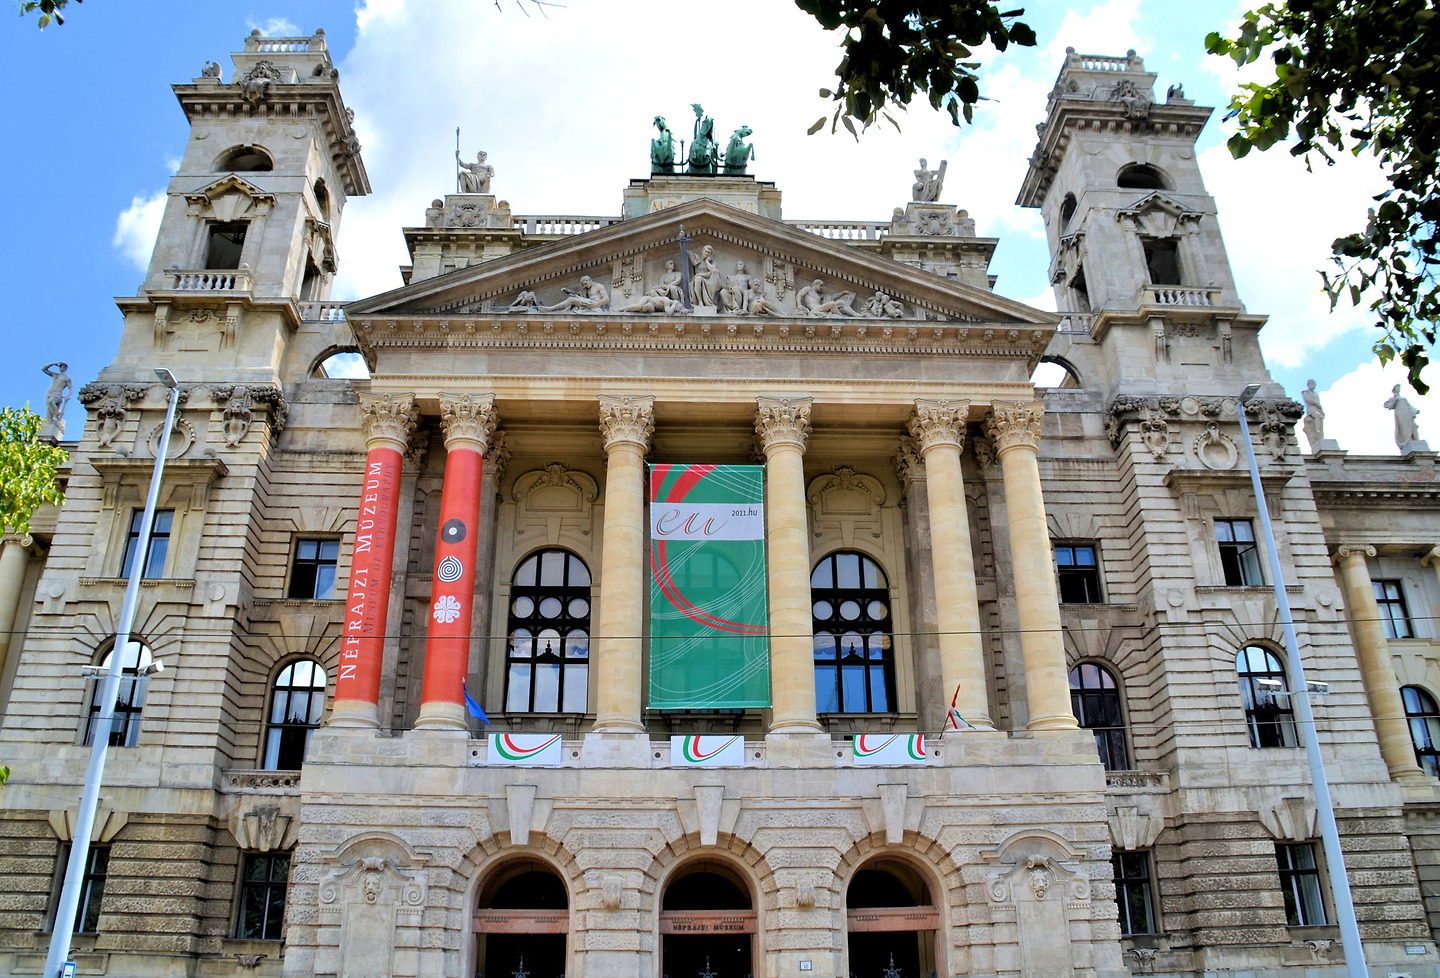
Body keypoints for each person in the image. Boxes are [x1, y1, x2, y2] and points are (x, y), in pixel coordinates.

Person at [796, 279, 860, 318]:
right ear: (815, 284)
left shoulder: (818, 295)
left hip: (820, 307)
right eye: (820, 285)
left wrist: (842, 293)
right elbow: (799, 295)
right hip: (815, 309)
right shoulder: (808, 289)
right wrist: (799, 305)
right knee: (832, 304)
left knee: (841, 302)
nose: (821, 287)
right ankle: (841, 316)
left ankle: (856, 315)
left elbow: (832, 297)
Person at [542, 276, 608, 313]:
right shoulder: (587, 289)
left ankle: (550, 309)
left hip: (594, 303)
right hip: (588, 302)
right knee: (573, 297)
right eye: (583, 284)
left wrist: (595, 305)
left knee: (571, 300)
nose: (585, 285)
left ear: (590, 280)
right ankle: (563, 311)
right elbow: (578, 294)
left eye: (585, 283)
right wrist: (568, 291)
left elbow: (606, 299)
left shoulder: (598, 286)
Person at [42, 362, 71, 433]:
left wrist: (68, 395)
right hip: (49, 393)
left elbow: (70, 388)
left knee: (51, 402)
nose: (61, 368)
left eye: (63, 367)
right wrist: (53, 364)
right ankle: (51, 421)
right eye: (60, 367)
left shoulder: (67, 378)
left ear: (66, 368)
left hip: (57, 394)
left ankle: (55, 416)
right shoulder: (55, 375)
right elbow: (43, 369)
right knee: (49, 409)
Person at [1301, 379, 1325, 446]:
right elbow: (1309, 400)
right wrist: (1316, 403)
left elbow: (1318, 402)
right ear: (1308, 385)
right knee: (1317, 415)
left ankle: (1320, 432)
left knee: (1320, 417)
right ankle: (1317, 430)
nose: (1313, 385)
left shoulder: (1316, 394)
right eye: (1311, 384)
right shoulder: (1305, 392)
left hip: (1318, 409)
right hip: (1311, 409)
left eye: (1314, 384)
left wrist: (1321, 410)